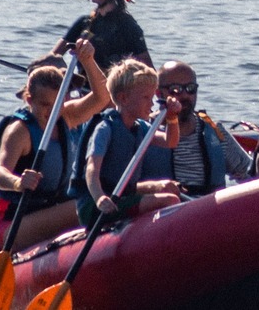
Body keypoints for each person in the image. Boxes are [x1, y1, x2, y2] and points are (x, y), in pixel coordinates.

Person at [0, 41, 112, 250]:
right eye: (44, 104)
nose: (51, 112)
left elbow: (102, 97)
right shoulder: (19, 131)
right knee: (88, 203)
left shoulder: (66, 116)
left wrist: (88, 61)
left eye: (57, 104)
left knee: (104, 193)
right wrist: (18, 182)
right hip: (14, 222)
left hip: (50, 211)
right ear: (29, 100)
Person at [78, 61, 182, 226]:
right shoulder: (105, 128)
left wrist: (172, 118)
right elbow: (91, 169)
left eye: (152, 97)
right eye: (146, 97)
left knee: (169, 190)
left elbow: (170, 141)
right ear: (123, 98)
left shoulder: (140, 127)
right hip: (98, 205)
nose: (152, 104)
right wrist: (100, 198)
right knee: (169, 200)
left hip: (123, 195)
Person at [158, 60, 253, 197]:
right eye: (175, 89)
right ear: (158, 93)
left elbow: (248, 173)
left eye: (191, 88)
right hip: (167, 206)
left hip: (211, 207)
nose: (184, 95)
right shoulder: (146, 131)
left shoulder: (214, 131)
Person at [53, 0, 152, 71]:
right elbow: (54, 55)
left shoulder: (128, 26)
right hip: (83, 82)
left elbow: (148, 70)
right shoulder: (83, 23)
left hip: (113, 82)